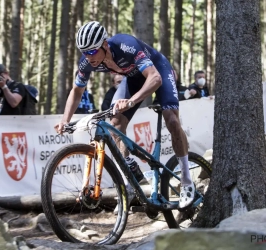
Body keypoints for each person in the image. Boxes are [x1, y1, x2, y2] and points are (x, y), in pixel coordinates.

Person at [55, 21, 196, 209]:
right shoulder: (87, 61)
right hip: (133, 78)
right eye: (84, 52)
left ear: (105, 44)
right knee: (115, 124)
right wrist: (65, 119)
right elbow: (76, 91)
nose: (88, 57)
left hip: (157, 69)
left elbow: (155, 78)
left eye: (91, 52)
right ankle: (130, 171)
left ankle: (187, 180)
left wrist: (131, 101)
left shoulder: (124, 45)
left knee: (171, 120)